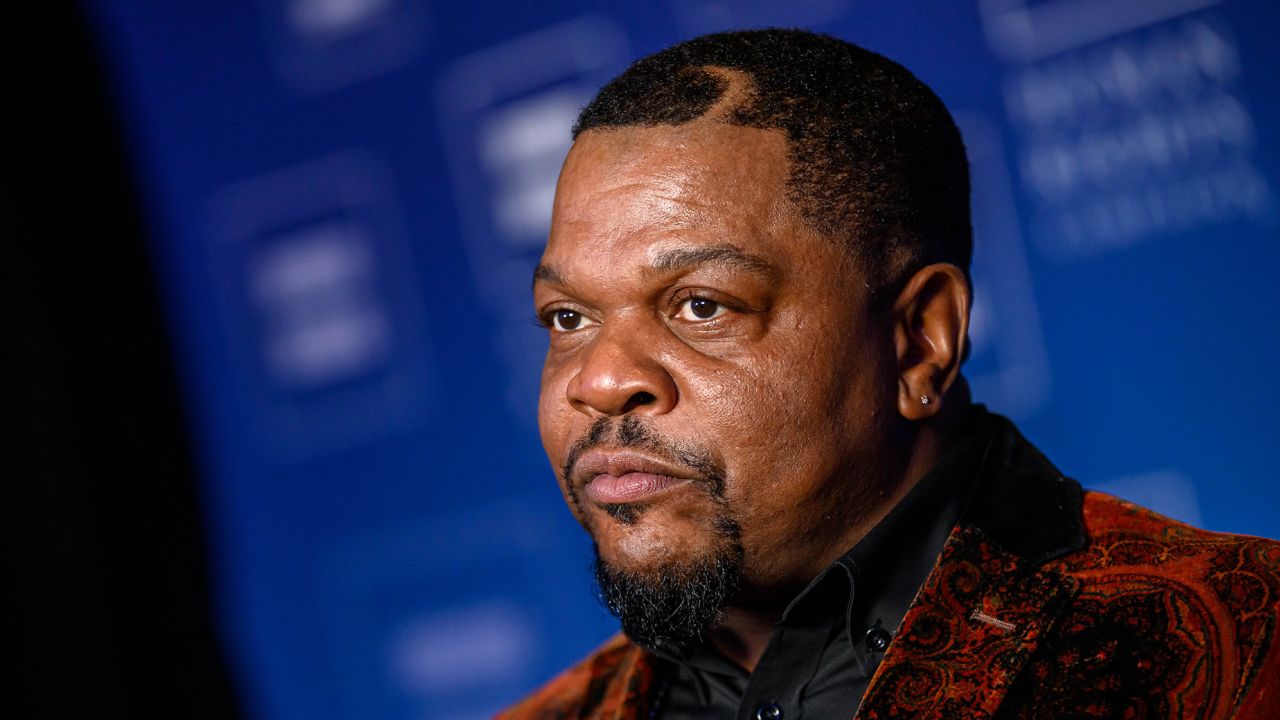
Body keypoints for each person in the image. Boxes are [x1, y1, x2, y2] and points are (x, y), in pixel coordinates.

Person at [503, 29, 1280, 719]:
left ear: (920, 338)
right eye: (567, 318)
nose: (598, 381)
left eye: (701, 306)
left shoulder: (1249, 650)